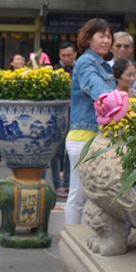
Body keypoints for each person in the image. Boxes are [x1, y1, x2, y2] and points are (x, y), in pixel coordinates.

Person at [64, 18, 116, 225]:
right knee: (79, 196)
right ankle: (72, 239)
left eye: (109, 36)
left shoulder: (102, 64)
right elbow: (98, 90)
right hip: (84, 138)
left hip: (95, 137)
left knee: (91, 195)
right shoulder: (86, 62)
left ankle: (84, 237)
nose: (106, 40)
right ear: (87, 38)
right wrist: (115, 101)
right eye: (101, 36)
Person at [0, 52, 28, 167]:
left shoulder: (28, 75)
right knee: (2, 132)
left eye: (22, 59)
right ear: (11, 63)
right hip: (7, 109)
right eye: (17, 59)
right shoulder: (6, 75)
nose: (20, 61)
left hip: (22, 108)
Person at [51, 41, 77, 198]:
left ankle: (67, 183)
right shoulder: (54, 71)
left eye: (69, 55)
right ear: (60, 55)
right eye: (63, 55)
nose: (66, 58)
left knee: (69, 150)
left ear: (75, 54)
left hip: (74, 113)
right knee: (56, 151)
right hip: (58, 114)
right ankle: (57, 184)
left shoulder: (79, 70)